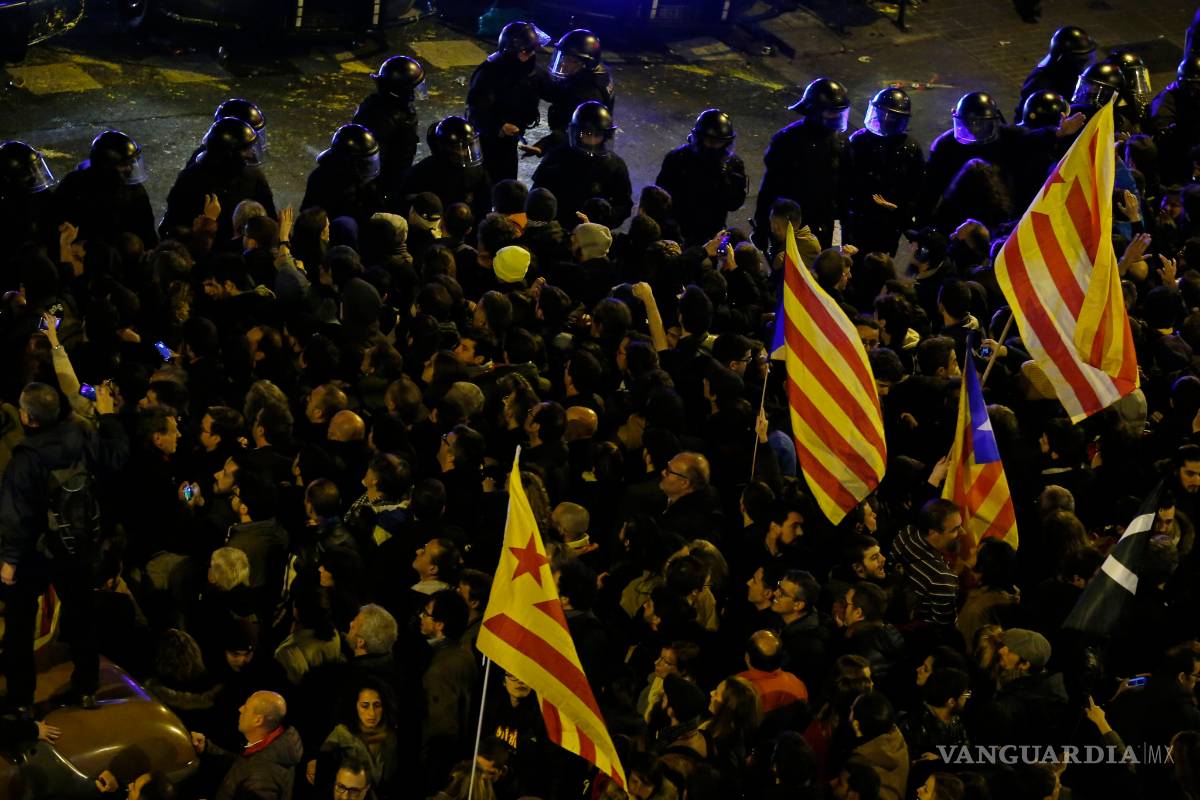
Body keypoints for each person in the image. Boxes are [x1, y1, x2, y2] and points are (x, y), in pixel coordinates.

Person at [0, 381, 129, 712]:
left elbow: (18, 516)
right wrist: (110, 417)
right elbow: (116, 457)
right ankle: (86, 687)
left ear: (28, 418)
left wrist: (10, 560)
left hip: (36, 553)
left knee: (19, 626)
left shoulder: (25, 459)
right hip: (79, 545)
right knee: (82, 613)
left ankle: (20, 703)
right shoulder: (82, 434)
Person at [753, 77, 850, 250]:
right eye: (830, 112)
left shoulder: (841, 141)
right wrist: (762, 226)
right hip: (794, 226)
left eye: (839, 112)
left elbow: (844, 189)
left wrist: (843, 232)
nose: (836, 117)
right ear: (814, 111)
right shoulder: (788, 140)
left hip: (827, 225)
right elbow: (770, 187)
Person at [161, 117, 276, 242]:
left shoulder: (253, 177)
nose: (251, 154)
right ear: (228, 155)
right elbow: (171, 228)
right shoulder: (190, 181)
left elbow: (269, 219)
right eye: (245, 149)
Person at [842, 88, 925, 255]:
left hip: (888, 221)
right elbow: (845, 179)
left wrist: (900, 211)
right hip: (858, 216)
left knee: (880, 261)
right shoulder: (859, 140)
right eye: (883, 113)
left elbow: (917, 188)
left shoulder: (910, 148)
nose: (886, 119)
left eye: (892, 116)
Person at [467, 22, 550, 182]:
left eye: (533, 50)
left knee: (507, 183)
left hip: (511, 139)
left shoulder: (531, 70)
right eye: (526, 51)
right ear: (510, 51)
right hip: (488, 141)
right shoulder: (489, 73)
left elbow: (552, 91)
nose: (531, 55)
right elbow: (476, 112)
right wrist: (498, 127)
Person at [654, 109, 749, 247]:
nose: (714, 146)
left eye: (719, 142)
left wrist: (725, 179)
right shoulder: (677, 159)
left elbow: (734, 203)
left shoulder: (733, 165)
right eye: (710, 141)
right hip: (678, 232)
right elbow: (661, 198)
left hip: (711, 234)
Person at [531, 101, 632, 230]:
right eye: (588, 134)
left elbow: (623, 204)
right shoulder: (557, 157)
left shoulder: (614, 165)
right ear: (577, 133)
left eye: (598, 135)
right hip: (557, 229)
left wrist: (602, 223)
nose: (593, 140)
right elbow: (538, 194)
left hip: (592, 234)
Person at [50, 129, 157, 248]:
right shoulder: (74, 186)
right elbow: (55, 225)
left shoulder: (133, 190)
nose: (130, 168)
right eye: (123, 165)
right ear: (105, 167)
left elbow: (147, 233)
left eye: (132, 162)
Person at [191, 690, 303, 800]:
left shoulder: (260, 781)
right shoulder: (272, 747)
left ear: (258, 720)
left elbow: (250, 770)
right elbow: (242, 764)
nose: (240, 709)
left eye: (246, 708)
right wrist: (207, 748)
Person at [526, 28, 616, 158]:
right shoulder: (588, 75)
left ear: (585, 64)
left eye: (571, 60)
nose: (563, 63)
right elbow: (560, 92)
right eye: (564, 57)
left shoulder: (590, 94)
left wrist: (545, 144)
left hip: (580, 151)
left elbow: (577, 130)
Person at [398, 116, 492, 223]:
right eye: (460, 148)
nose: (465, 152)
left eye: (468, 147)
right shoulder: (424, 171)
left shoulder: (477, 170)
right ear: (445, 148)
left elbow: (485, 202)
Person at [353, 55, 425, 193]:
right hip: (385, 182)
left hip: (397, 173)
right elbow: (373, 162)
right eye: (414, 88)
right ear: (401, 90)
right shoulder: (379, 117)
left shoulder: (401, 109)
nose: (418, 92)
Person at [301, 123, 386, 226]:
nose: (368, 166)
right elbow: (310, 219)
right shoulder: (321, 180)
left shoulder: (369, 180)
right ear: (348, 161)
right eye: (364, 162)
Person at [1016, 25, 1096, 121]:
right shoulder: (1039, 83)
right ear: (1064, 59)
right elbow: (1027, 121)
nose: (1084, 65)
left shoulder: (1069, 73)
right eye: (1081, 60)